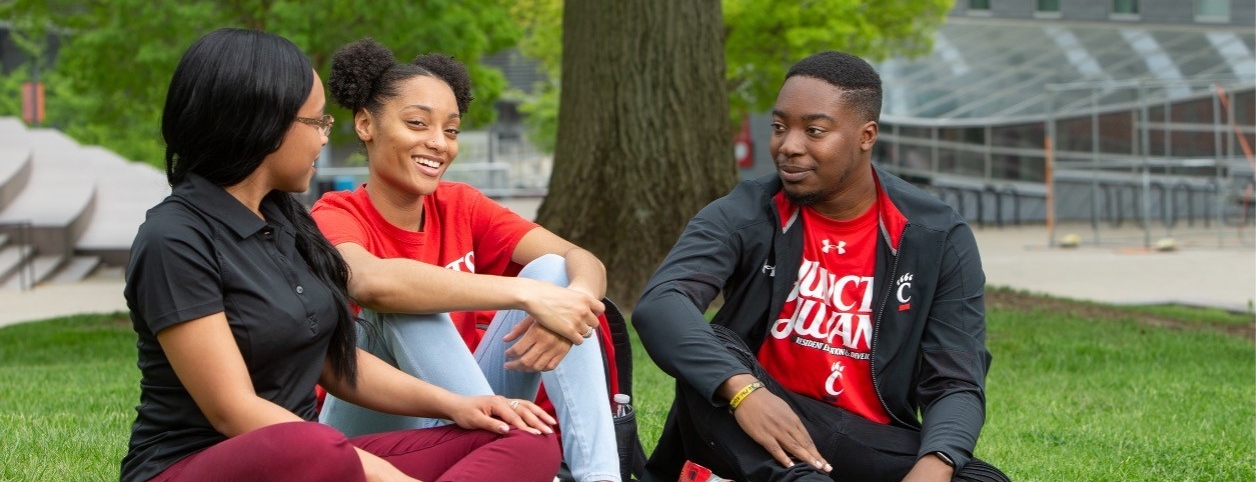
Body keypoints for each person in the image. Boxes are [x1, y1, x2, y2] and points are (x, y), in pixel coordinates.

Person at [120, 28, 560, 482]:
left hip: (314, 455)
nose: (325, 139)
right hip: (205, 464)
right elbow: (234, 411)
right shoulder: (174, 239)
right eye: (316, 123)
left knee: (522, 432)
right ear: (260, 123)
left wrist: (460, 405)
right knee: (311, 445)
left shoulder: (289, 221)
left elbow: (336, 362)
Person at [632, 51, 1011, 482]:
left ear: (866, 135)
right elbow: (662, 303)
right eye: (779, 127)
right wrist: (745, 392)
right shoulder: (745, 212)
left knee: (978, 478)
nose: (789, 146)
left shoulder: (936, 235)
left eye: (814, 131)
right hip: (749, 425)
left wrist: (935, 465)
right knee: (711, 349)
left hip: (863, 436)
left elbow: (956, 380)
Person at [311, 38, 621, 482]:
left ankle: (600, 477)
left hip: (470, 414)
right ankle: (519, 455)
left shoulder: (462, 205)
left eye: (451, 130)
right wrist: (528, 295)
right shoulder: (335, 213)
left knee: (555, 272)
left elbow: (580, 258)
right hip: (374, 433)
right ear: (365, 124)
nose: (438, 143)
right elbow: (369, 282)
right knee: (399, 301)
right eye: (418, 123)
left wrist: (572, 307)